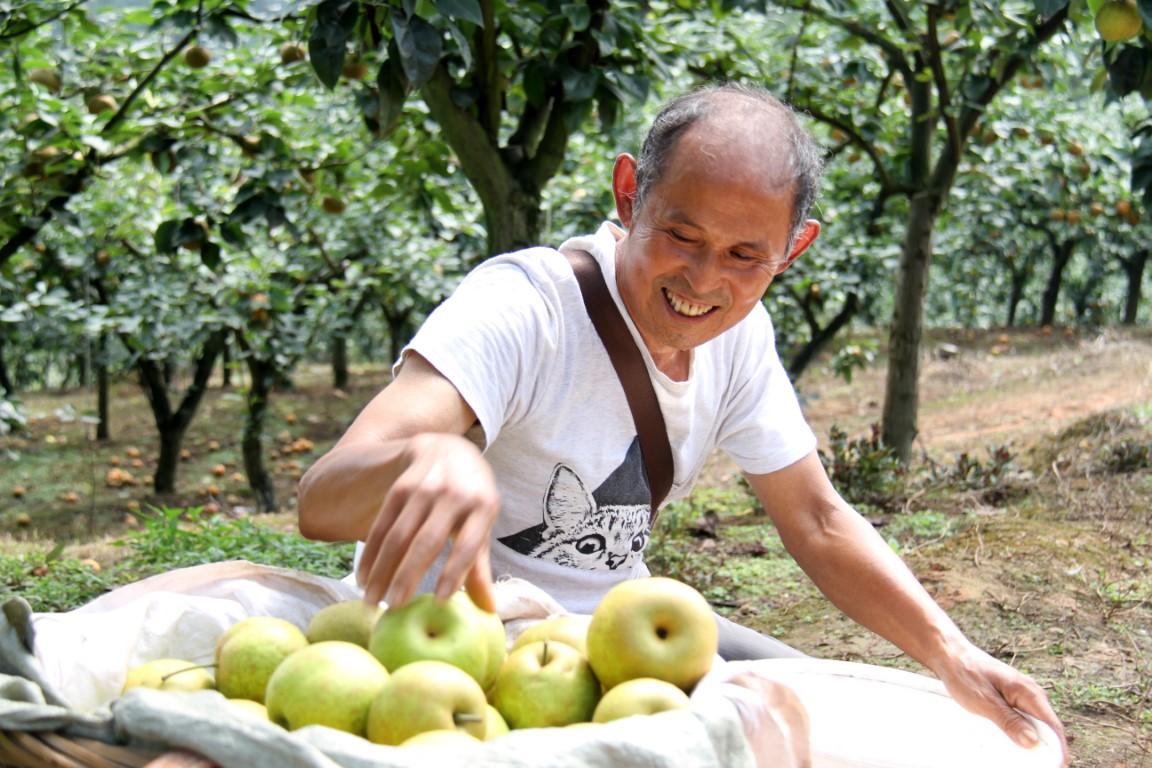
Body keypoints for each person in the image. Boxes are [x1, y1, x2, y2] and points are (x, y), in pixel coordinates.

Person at [297, 82, 1067, 762]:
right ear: (629, 194)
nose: (703, 281)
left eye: (744, 256)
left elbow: (818, 519)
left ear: (793, 250)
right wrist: (432, 461)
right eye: (682, 236)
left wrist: (953, 654)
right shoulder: (523, 310)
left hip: (618, 640)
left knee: (871, 718)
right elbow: (320, 500)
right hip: (457, 651)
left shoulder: (738, 338)